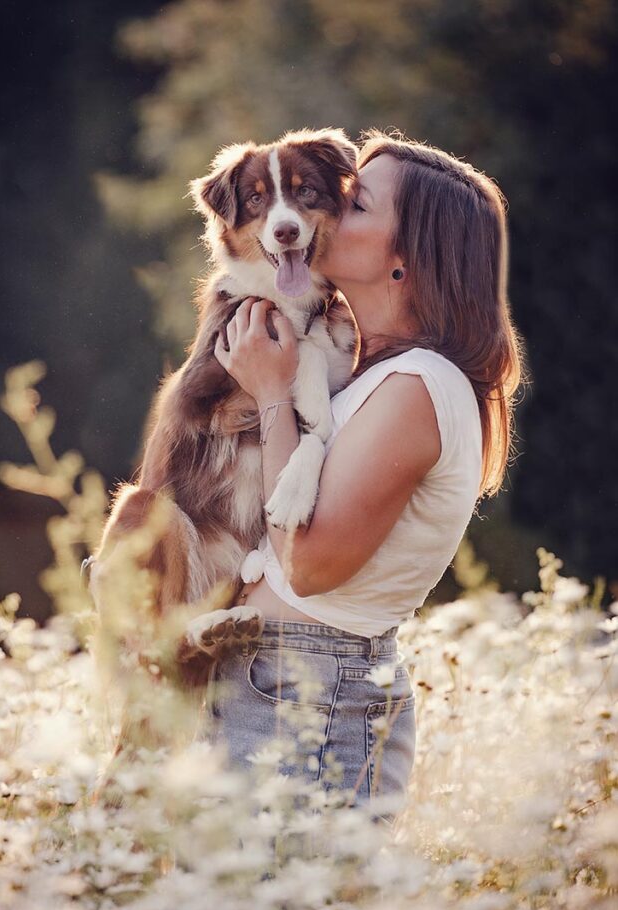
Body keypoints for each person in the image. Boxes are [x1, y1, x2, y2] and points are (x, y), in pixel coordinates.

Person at [205, 128, 527, 825]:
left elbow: (310, 563)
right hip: (270, 683)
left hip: (309, 695)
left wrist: (270, 393)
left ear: (405, 256)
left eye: (354, 205)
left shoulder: (418, 386)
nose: (318, 214)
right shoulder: (363, 374)